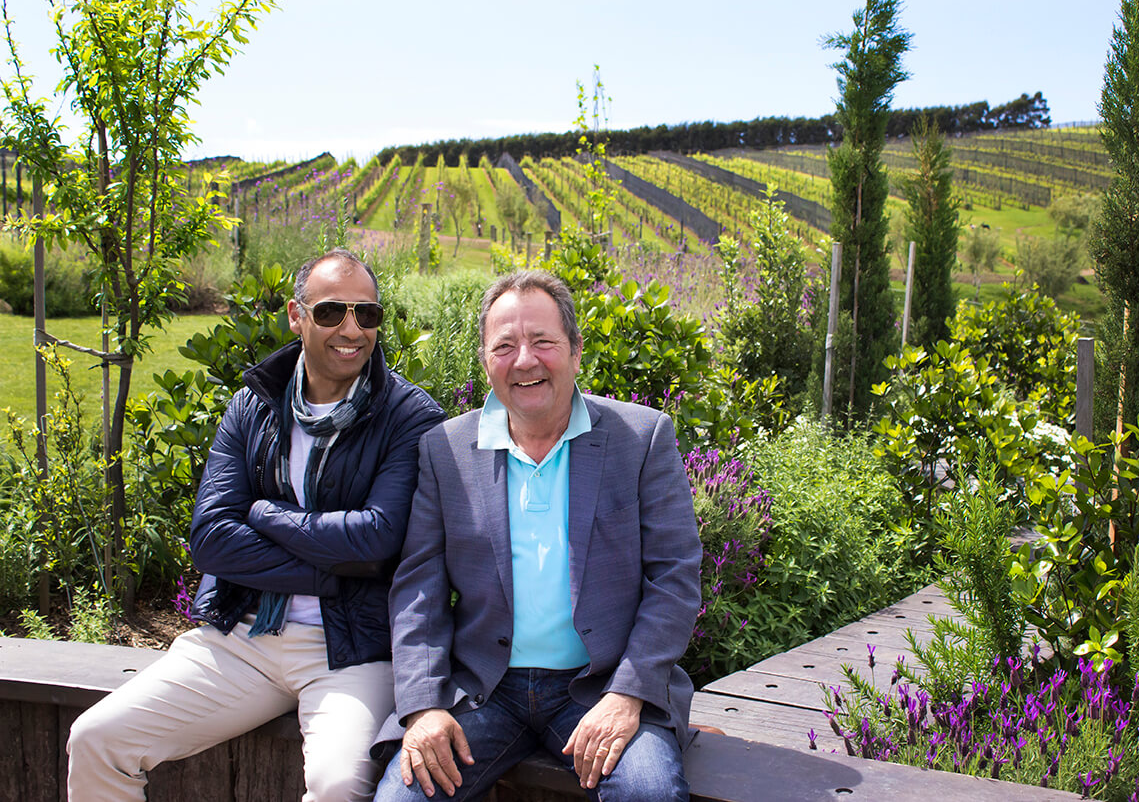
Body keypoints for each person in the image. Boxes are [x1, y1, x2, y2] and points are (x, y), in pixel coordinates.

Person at [66, 249, 446, 801]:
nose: (351, 329)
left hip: (350, 651)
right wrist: (333, 571)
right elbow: (212, 541)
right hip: (240, 637)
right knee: (97, 739)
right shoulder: (252, 406)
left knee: (340, 785)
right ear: (296, 315)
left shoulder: (408, 415)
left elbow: (376, 537)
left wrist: (266, 514)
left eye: (367, 315)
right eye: (331, 312)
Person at [373, 270, 701, 802]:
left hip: (600, 688)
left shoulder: (641, 439)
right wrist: (425, 705)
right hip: (483, 692)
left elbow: (675, 579)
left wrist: (628, 694)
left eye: (543, 342)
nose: (524, 360)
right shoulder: (446, 451)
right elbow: (418, 591)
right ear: (485, 360)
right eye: (505, 345)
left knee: (649, 794)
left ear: (574, 350)